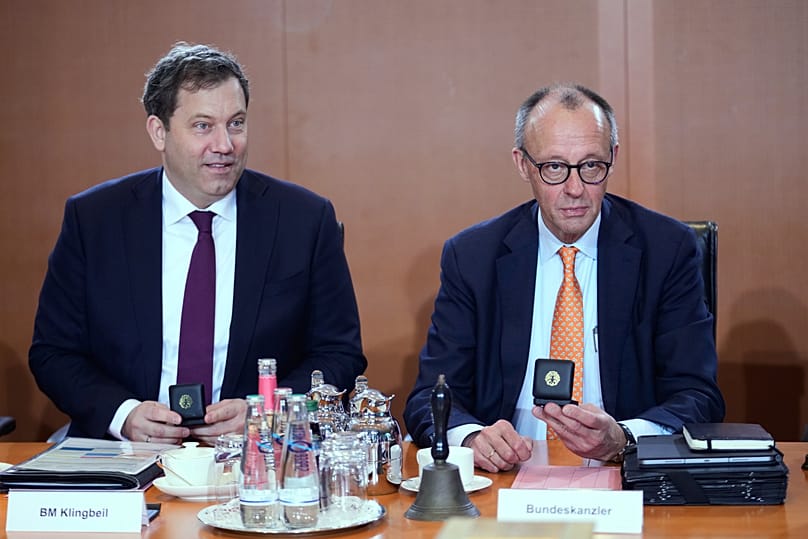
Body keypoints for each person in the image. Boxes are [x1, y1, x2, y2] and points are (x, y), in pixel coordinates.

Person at [29, 43, 366, 445]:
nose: (224, 145)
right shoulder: (95, 220)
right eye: (203, 126)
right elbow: (53, 353)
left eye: (236, 123)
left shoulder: (304, 220)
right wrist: (124, 415)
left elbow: (339, 355)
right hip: (125, 450)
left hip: (254, 454)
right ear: (159, 131)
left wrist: (267, 410)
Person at [403, 83, 724, 471]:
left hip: (622, 473)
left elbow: (698, 395)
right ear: (523, 164)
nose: (575, 189)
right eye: (554, 167)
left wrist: (623, 438)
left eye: (591, 166)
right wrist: (472, 437)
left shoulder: (666, 250)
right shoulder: (473, 257)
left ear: (613, 158)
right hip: (505, 480)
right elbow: (429, 398)